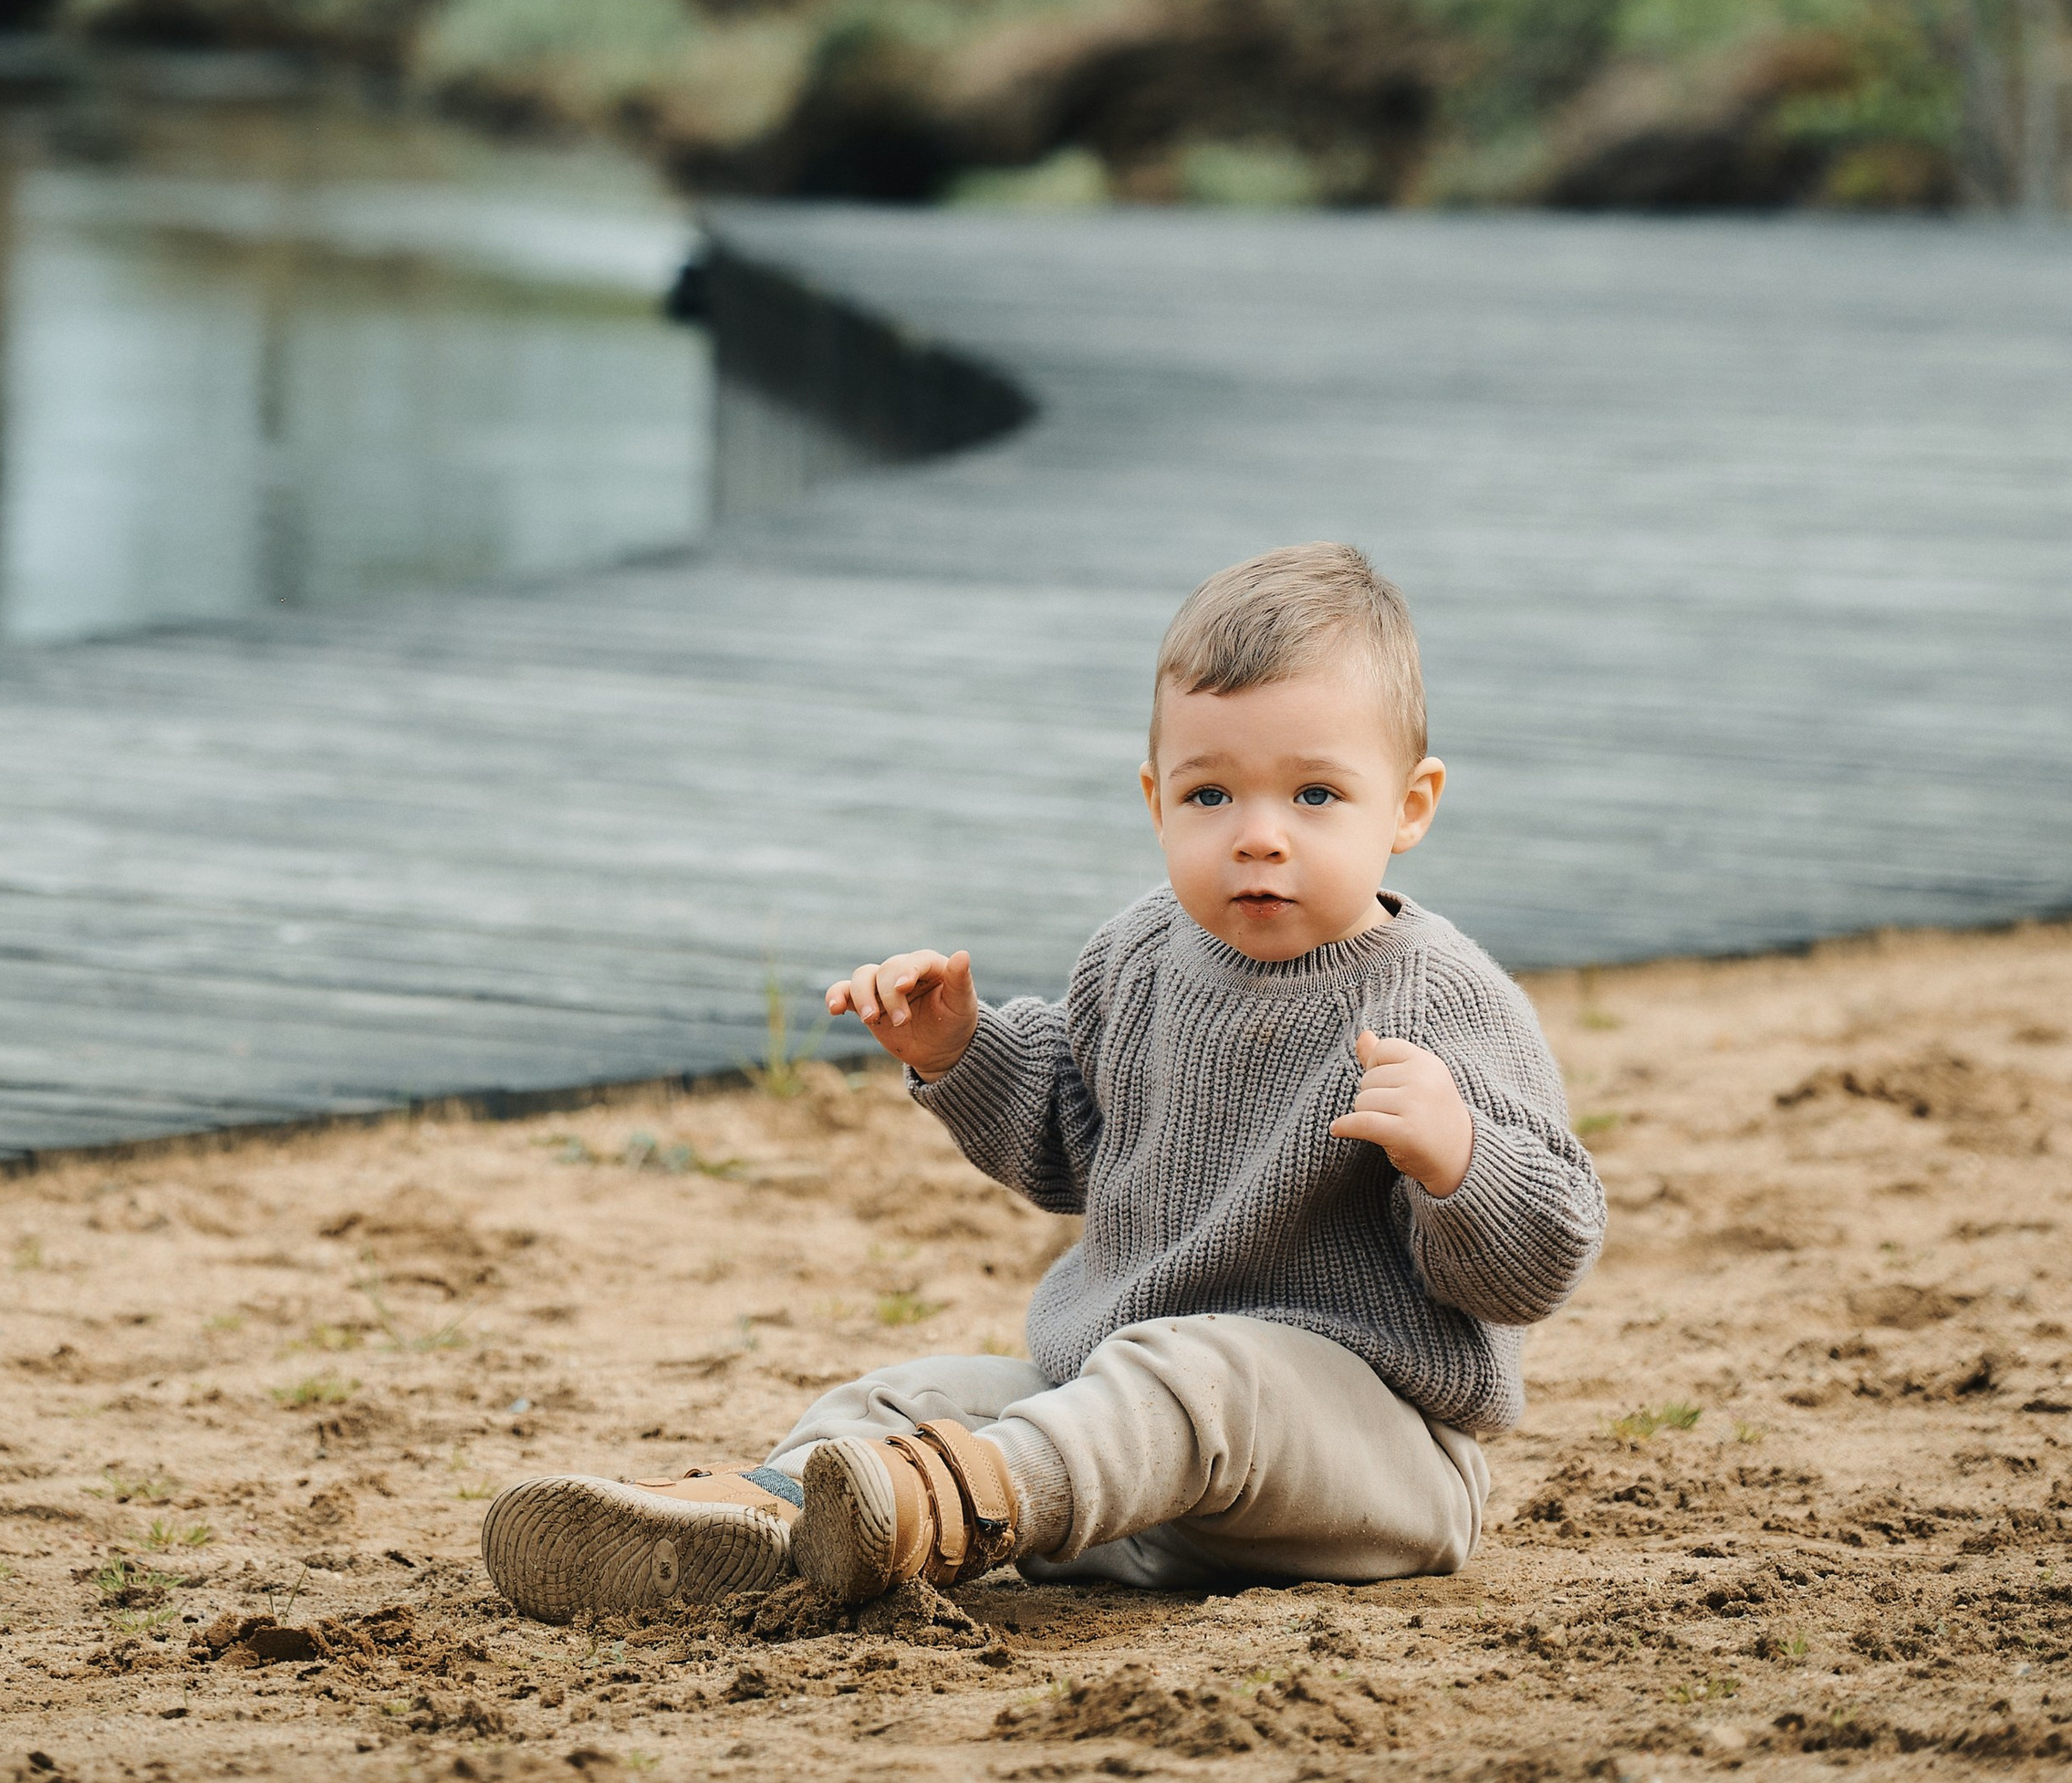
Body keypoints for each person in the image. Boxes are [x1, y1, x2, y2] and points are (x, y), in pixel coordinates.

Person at [480, 542, 1606, 1623]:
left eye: (1314, 794)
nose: (1259, 837)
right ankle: (758, 1531)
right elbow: (1074, 1139)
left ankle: (939, 1506)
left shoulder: (1438, 999)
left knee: (1195, 1368)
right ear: (1156, 796)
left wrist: (1461, 1162)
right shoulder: (1137, 954)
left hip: (1360, 1463)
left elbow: (1543, 1253)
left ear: (1408, 805)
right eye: (1212, 796)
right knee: (903, 1396)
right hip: (1126, 1483)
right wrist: (961, 1050)